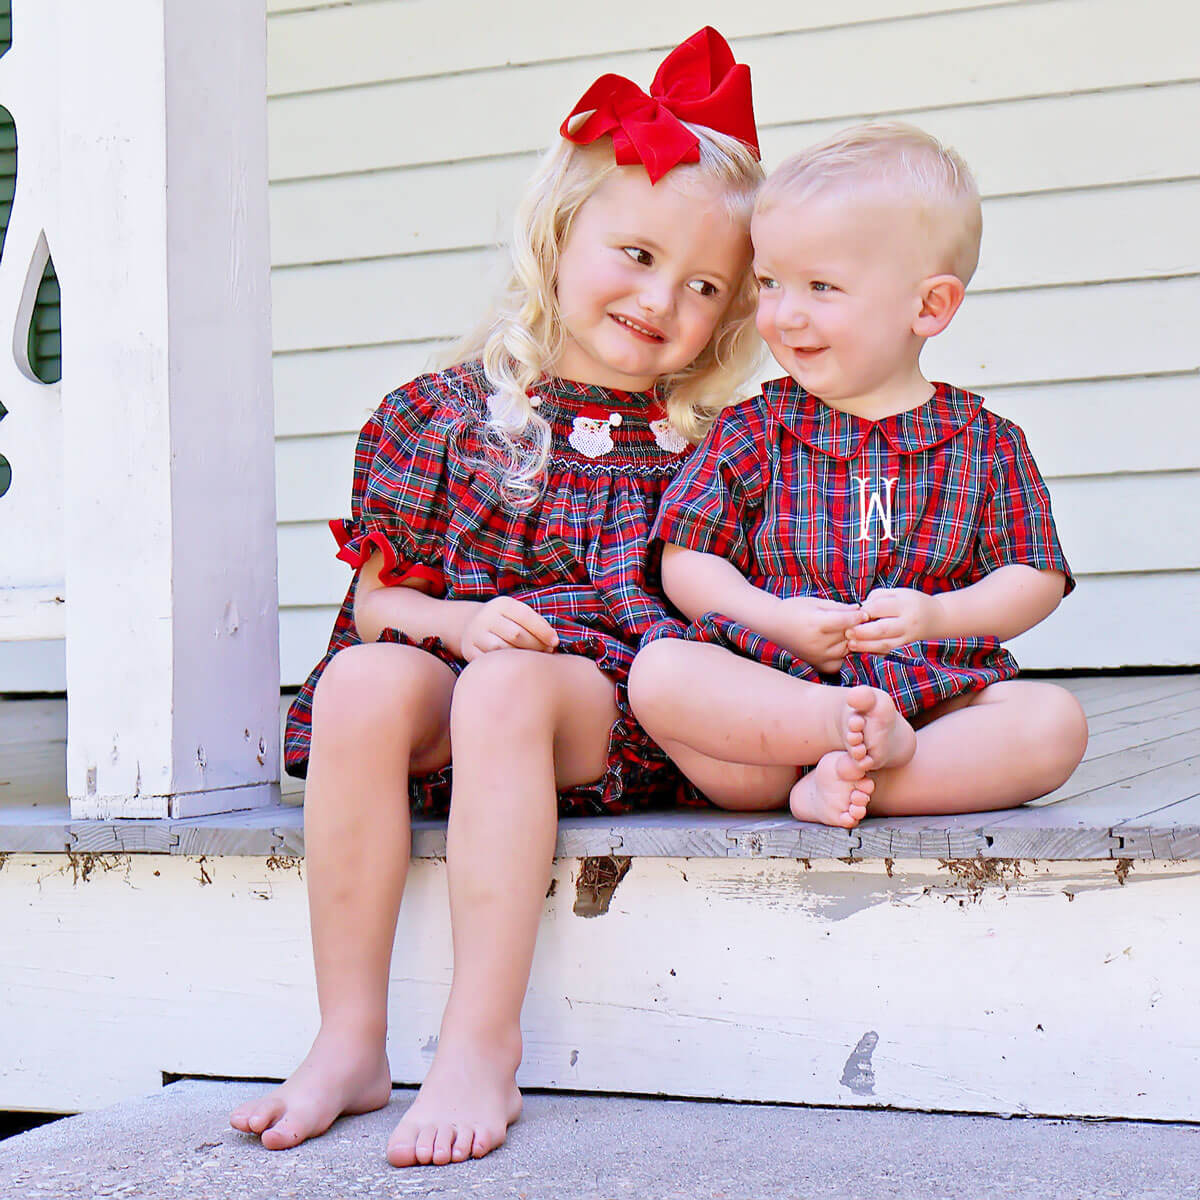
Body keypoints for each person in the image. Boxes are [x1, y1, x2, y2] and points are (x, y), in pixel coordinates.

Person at [230, 28, 763, 1167]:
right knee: (368, 685)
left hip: (586, 700)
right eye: (635, 252)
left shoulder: (709, 448)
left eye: (705, 285)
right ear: (560, 234)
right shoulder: (439, 415)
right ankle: (351, 1038)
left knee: (509, 689)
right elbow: (378, 605)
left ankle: (479, 1044)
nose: (661, 297)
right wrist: (453, 625)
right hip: (452, 668)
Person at [629, 121, 1088, 830]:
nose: (786, 314)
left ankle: (852, 779)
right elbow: (688, 562)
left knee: (1053, 723)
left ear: (928, 306)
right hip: (772, 703)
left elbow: (1034, 577)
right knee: (659, 673)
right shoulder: (751, 432)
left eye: (822, 285)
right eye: (771, 283)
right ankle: (829, 740)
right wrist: (773, 617)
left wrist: (941, 615)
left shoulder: (986, 446)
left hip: (929, 699)